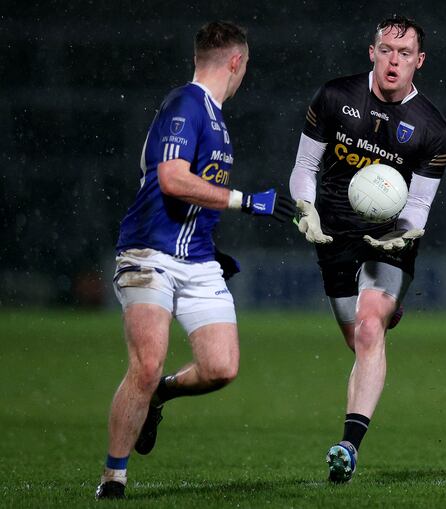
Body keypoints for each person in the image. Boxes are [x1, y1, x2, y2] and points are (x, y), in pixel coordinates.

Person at [95, 21, 295, 499]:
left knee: (221, 367)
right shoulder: (186, 104)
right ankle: (113, 479)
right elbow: (171, 179)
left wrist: (208, 244)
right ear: (236, 62)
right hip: (149, 254)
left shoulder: (216, 116)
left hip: (196, 258)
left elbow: (192, 195)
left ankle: (160, 396)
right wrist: (248, 201)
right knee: (145, 363)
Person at [288, 15, 446, 483]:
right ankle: (385, 309)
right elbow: (304, 167)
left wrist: (406, 233)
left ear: (419, 61)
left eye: (404, 54)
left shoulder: (433, 128)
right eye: (386, 50)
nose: (393, 60)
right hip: (334, 226)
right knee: (358, 341)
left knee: (367, 326)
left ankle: (348, 445)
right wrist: (306, 208)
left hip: (389, 235)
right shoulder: (335, 96)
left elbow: (419, 202)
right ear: (372, 52)